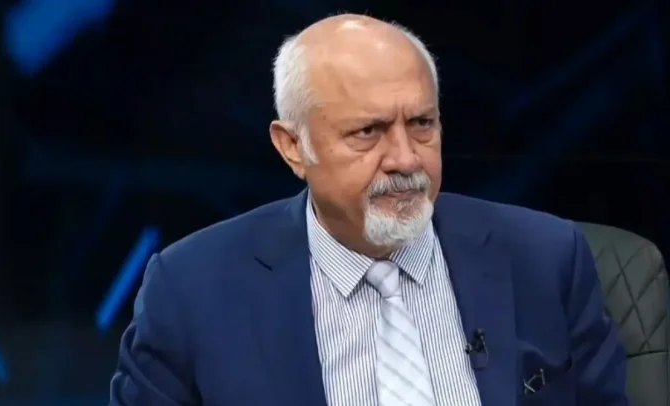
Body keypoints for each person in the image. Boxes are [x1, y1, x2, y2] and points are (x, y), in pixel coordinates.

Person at [109, 14, 629, 406]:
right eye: (367, 131)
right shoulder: (191, 290)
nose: (406, 158)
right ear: (293, 147)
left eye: (422, 124)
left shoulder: (546, 258)